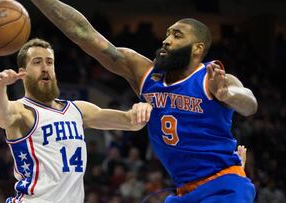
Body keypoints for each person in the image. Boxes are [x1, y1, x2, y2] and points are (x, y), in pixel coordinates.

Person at [27, 1, 258, 202]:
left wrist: (228, 95)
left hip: (224, 186)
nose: (166, 40)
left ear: (197, 49)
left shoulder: (212, 79)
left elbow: (249, 104)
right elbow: (83, 33)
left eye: (177, 36)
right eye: (167, 33)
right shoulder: (145, 75)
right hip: (184, 193)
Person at [0, 38, 152, 202]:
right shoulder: (22, 110)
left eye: (49, 62)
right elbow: (1, 114)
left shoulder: (78, 110)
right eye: (37, 62)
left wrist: (143, 109)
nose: (45, 68)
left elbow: (131, 122)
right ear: (23, 72)